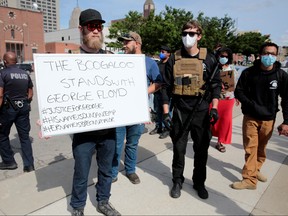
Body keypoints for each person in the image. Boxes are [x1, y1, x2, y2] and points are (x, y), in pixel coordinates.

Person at [161, 20, 221, 199]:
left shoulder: (209, 58)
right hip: (180, 110)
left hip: (201, 111)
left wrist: (215, 108)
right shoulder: (174, 58)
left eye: (192, 33)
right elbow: (165, 86)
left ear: (199, 36)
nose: (188, 37)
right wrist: (165, 112)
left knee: (201, 151)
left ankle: (199, 182)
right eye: (185, 33)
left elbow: (216, 85)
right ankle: (177, 181)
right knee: (178, 151)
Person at [69, 9, 120, 216]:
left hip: (108, 129)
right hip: (83, 131)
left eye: (99, 27)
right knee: (81, 172)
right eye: (92, 27)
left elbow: (122, 91)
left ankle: (103, 201)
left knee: (106, 170)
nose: (96, 31)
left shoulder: (111, 58)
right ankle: (78, 206)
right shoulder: (69, 60)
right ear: (81, 29)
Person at [232, 42, 288, 190]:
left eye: (272, 54)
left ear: (276, 56)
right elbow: (239, 91)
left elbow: (286, 99)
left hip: (269, 118)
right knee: (251, 147)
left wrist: (287, 121)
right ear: (260, 55)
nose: (269, 56)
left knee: (261, 148)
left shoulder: (281, 75)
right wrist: (250, 104)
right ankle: (249, 179)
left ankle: (256, 170)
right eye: (266, 53)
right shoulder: (249, 73)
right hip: (251, 116)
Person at [111, 31, 162, 184]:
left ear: (137, 44)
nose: (123, 45)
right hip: (119, 111)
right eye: (124, 42)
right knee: (116, 144)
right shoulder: (118, 61)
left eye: (127, 42)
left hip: (138, 111)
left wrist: (142, 92)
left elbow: (158, 83)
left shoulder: (150, 63)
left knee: (132, 144)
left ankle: (130, 170)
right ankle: (112, 172)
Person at [0, 51, 34, 172]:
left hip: (8, 109)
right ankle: (29, 165)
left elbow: (0, 95)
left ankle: (9, 162)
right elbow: (30, 92)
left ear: (5, 62)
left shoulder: (2, 73)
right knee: (24, 137)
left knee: (2, 135)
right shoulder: (25, 73)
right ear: (16, 61)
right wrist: (26, 102)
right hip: (23, 107)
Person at [211, 47, 238, 153]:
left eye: (226, 56)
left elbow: (233, 86)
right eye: (222, 56)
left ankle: (220, 141)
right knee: (211, 119)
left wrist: (237, 96)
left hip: (227, 99)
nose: (224, 58)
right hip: (214, 99)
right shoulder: (213, 68)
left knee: (225, 121)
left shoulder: (231, 70)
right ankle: (208, 135)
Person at [149, 45, 171, 139]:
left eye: (163, 52)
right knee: (158, 110)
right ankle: (158, 127)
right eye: (161, 51)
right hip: (157, 91)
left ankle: (167, 128)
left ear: (168, 53)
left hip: (167, 92)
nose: (161, 53)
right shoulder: (158, 64)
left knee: (167, 112)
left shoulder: (171, 64)